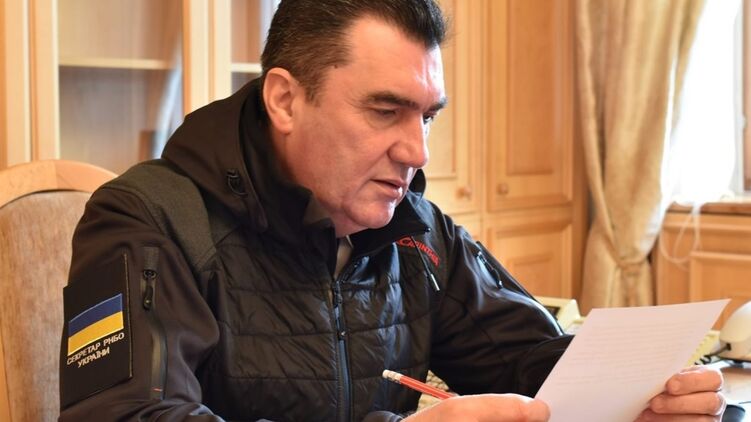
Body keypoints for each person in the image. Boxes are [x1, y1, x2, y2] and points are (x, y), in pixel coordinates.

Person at [59, 0, 726, 421]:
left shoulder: (418, 230)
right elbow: (127, 416)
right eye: (384, 110)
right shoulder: (147, 219)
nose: (416, 151)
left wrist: (638, 395)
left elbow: (533, 362)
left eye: (427, 116)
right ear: (285, 101)